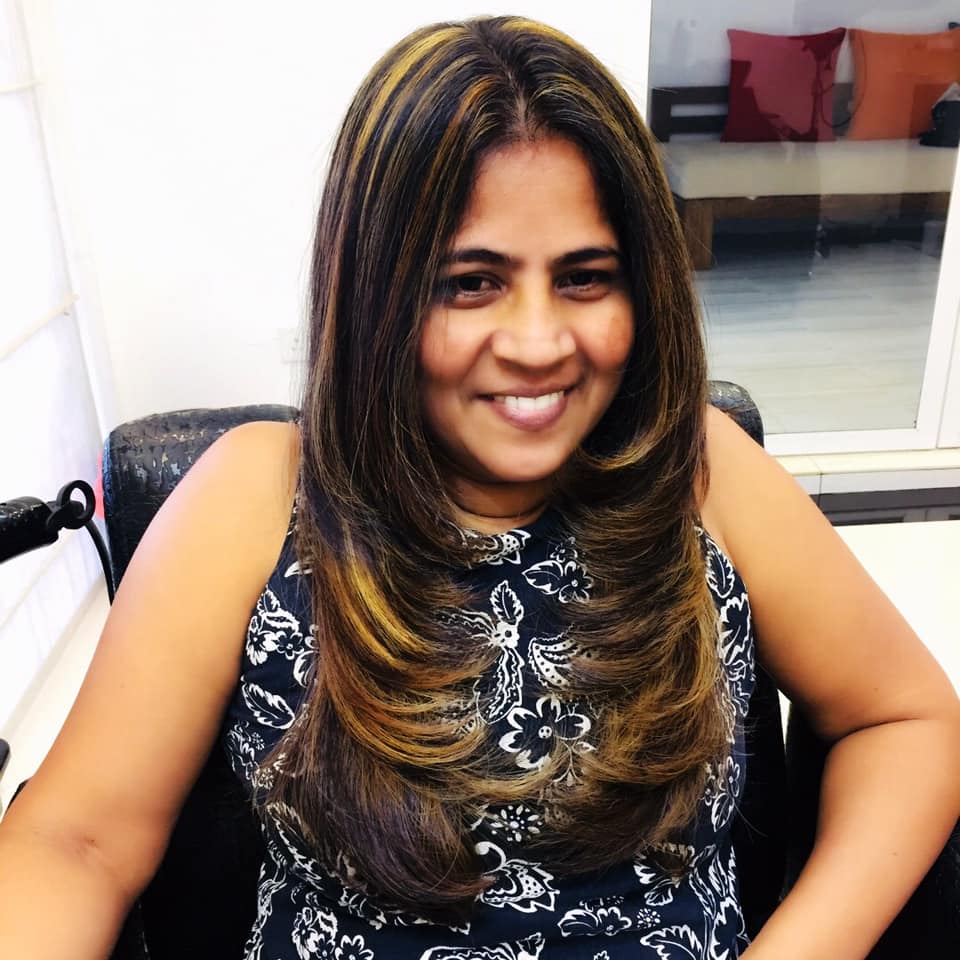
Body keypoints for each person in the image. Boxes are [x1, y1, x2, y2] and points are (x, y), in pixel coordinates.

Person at [1, 14, 958, 960]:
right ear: (375, 292)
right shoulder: (255, 495)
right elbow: (74, 843)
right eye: (470, 282)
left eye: (585, 278)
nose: (539, 343)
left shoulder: (699, 471)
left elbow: (908, 719)